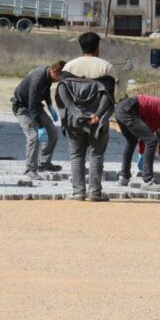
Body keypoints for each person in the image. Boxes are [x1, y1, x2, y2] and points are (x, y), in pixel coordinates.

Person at [57, 32, 116, 201]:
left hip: (75, 120)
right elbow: (108, 95)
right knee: (96, 155)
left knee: (76, 156)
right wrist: (97, 114)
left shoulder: (69, 67)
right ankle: (95, 193)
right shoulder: (106, 67)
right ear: (98, 47)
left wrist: (76, 113)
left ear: (81, 46)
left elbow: (62, 91)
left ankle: (78, 192)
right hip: (98, 122)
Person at [12, 61, 64, 179]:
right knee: (34, 136)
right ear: (54, 72)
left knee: (52, 132)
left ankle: (44, 164)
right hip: (22, 108)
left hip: (34, 106)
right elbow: (32, 106)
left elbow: (46, 91)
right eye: (60, 77)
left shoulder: (48, 75)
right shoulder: (38, 79)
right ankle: (30, 169)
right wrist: (40, 127)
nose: (60, 80)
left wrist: (50, 106)